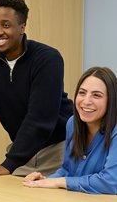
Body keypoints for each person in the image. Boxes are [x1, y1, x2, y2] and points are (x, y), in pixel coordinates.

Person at [0, 0, 73, 177]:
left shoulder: (47, 58)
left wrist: (9, 163)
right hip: (23, 152)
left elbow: (39, 119)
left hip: (59, 150)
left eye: (6, 25)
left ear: (22, 27)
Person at [23, 66, 117, 194]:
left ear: (111, 101)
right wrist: (44, 181)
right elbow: (67, 170)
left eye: (96, 95)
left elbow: (111, 182)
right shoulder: (72, 124)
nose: (86, 101)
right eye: (82, 93)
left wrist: (60, 182)